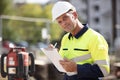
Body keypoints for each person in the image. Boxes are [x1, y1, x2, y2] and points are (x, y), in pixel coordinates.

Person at [51, 1, 110, 80]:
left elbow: (104, 70)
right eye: (59, 22)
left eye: (65, 18)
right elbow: (62, 69)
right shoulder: (65, 39)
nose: (63, 24)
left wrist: (77, 68)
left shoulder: (95, 38)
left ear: (74, 15)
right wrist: (55, 57)